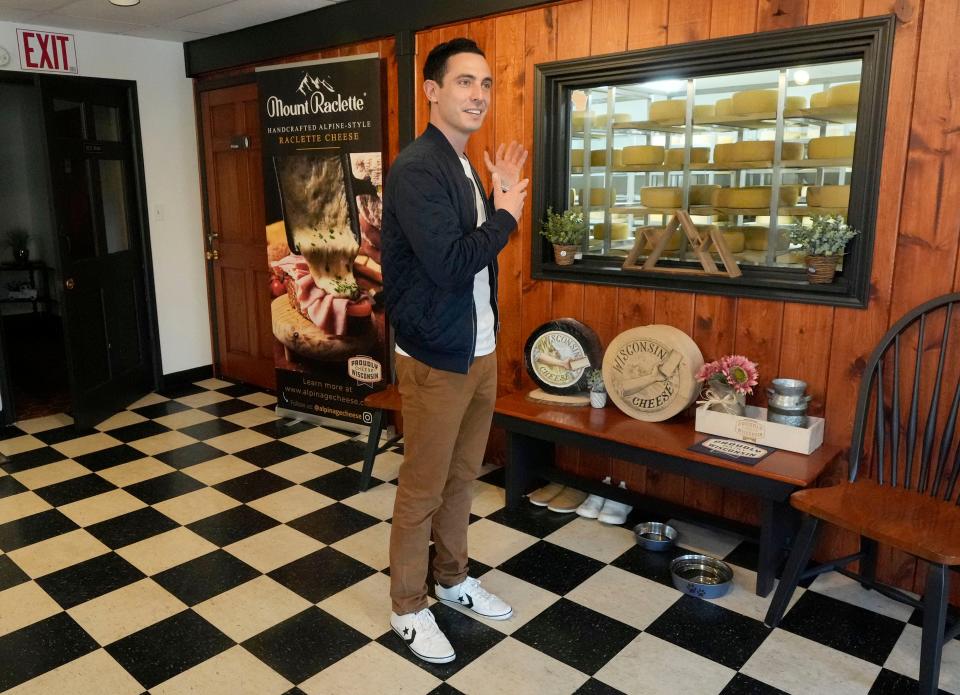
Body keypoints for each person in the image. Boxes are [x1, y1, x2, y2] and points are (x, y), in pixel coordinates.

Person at [381, 37, 528, 665]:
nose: (478, 95)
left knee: (464, 477)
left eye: (486, 84)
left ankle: (453, 577)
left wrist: (493, 199)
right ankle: (408, 607)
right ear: (432, 90)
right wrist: (506, 216)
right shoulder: (418, 167)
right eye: (465, 82)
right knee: (423, 488)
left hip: (479, 347)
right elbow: (446, 266)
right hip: (437, 355)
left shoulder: (464, 164)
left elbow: (470, 268)